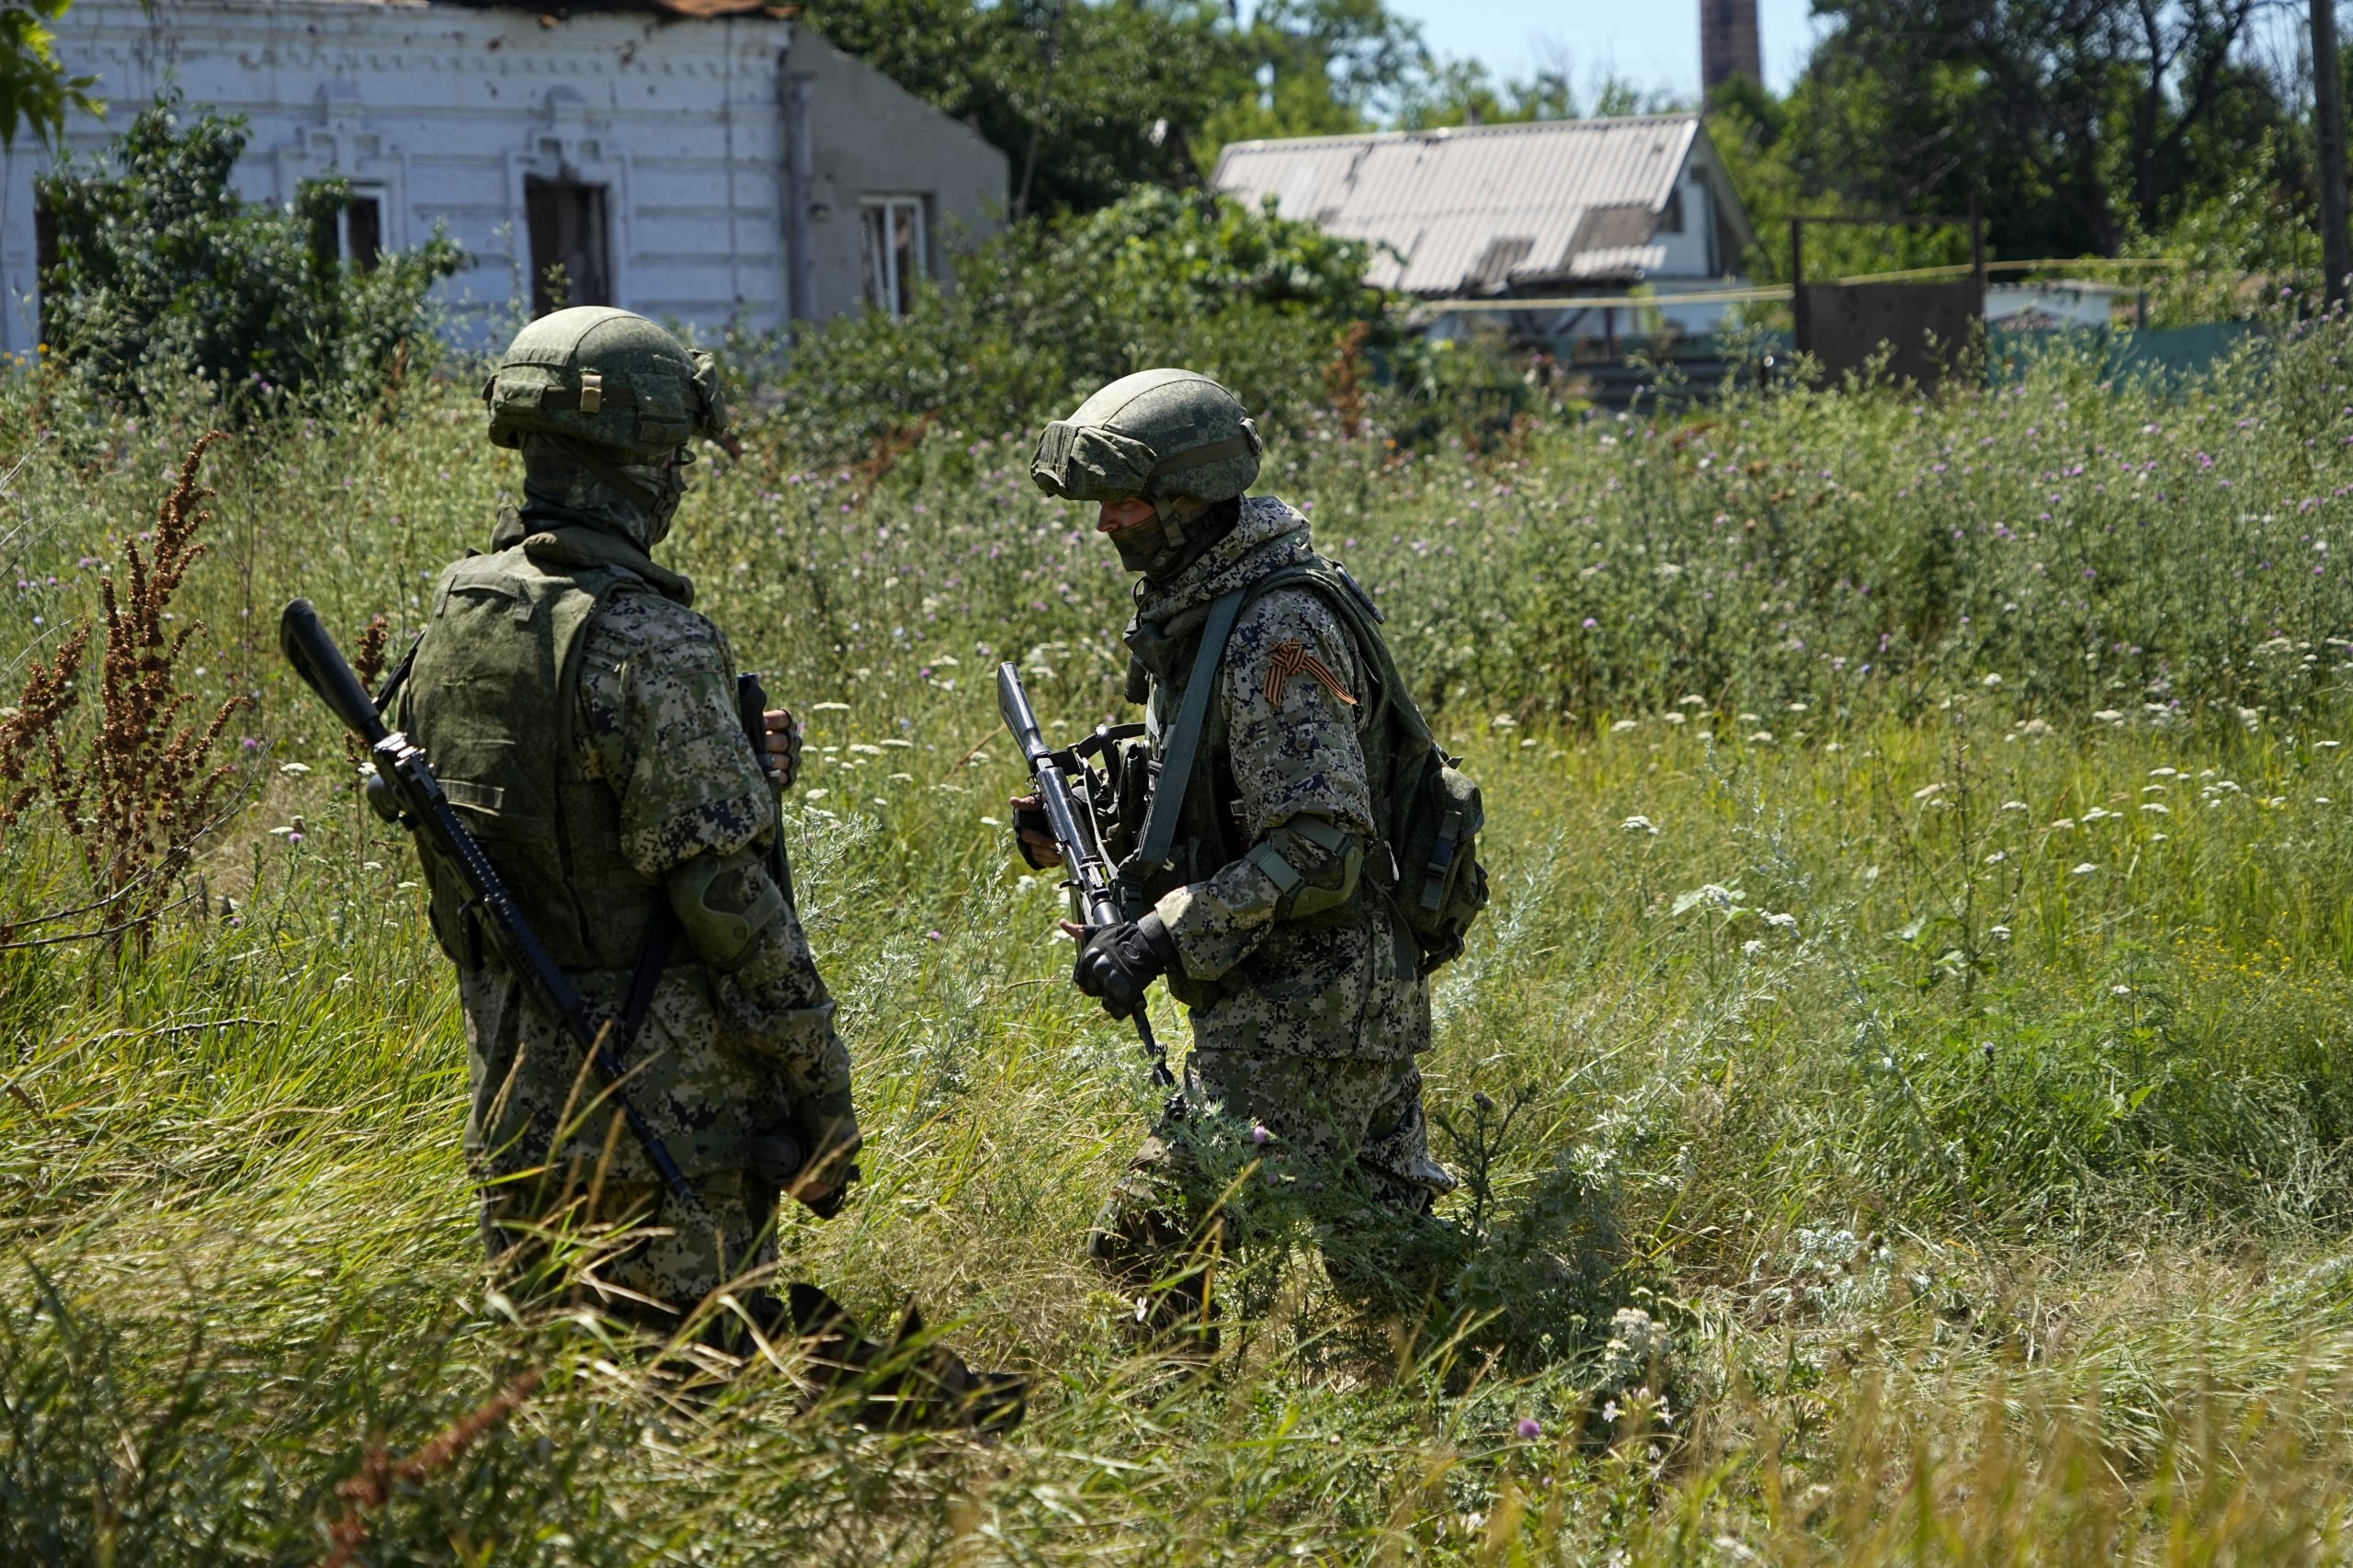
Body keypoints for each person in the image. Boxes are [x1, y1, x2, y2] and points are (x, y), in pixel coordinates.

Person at [396, 307, 1017, 1426]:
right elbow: (726, 901)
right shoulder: (651, 642)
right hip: (660, 1102)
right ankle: (936, 1427)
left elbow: (479, 809)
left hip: (517, 1092)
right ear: (647, 462)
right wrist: (820, 1090)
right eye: (677, 455)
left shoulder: (460, 615)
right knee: (698, 1403)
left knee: (557, 1400)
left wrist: (734, 762)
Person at [1017, 369, 1458, 1341]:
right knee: (1394, 1280)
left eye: (1125, 501)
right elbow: (1219, 792)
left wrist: (1165, 931)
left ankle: (1167, 1453)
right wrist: (1090, 830)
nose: (1106, 526)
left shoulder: (1271, 627)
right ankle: (1460, 1434)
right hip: (1327, 996)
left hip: (1312, 1006)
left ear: (1188, 499)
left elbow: (1322, 838)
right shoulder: (1205, 606)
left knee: (1150, 1247)